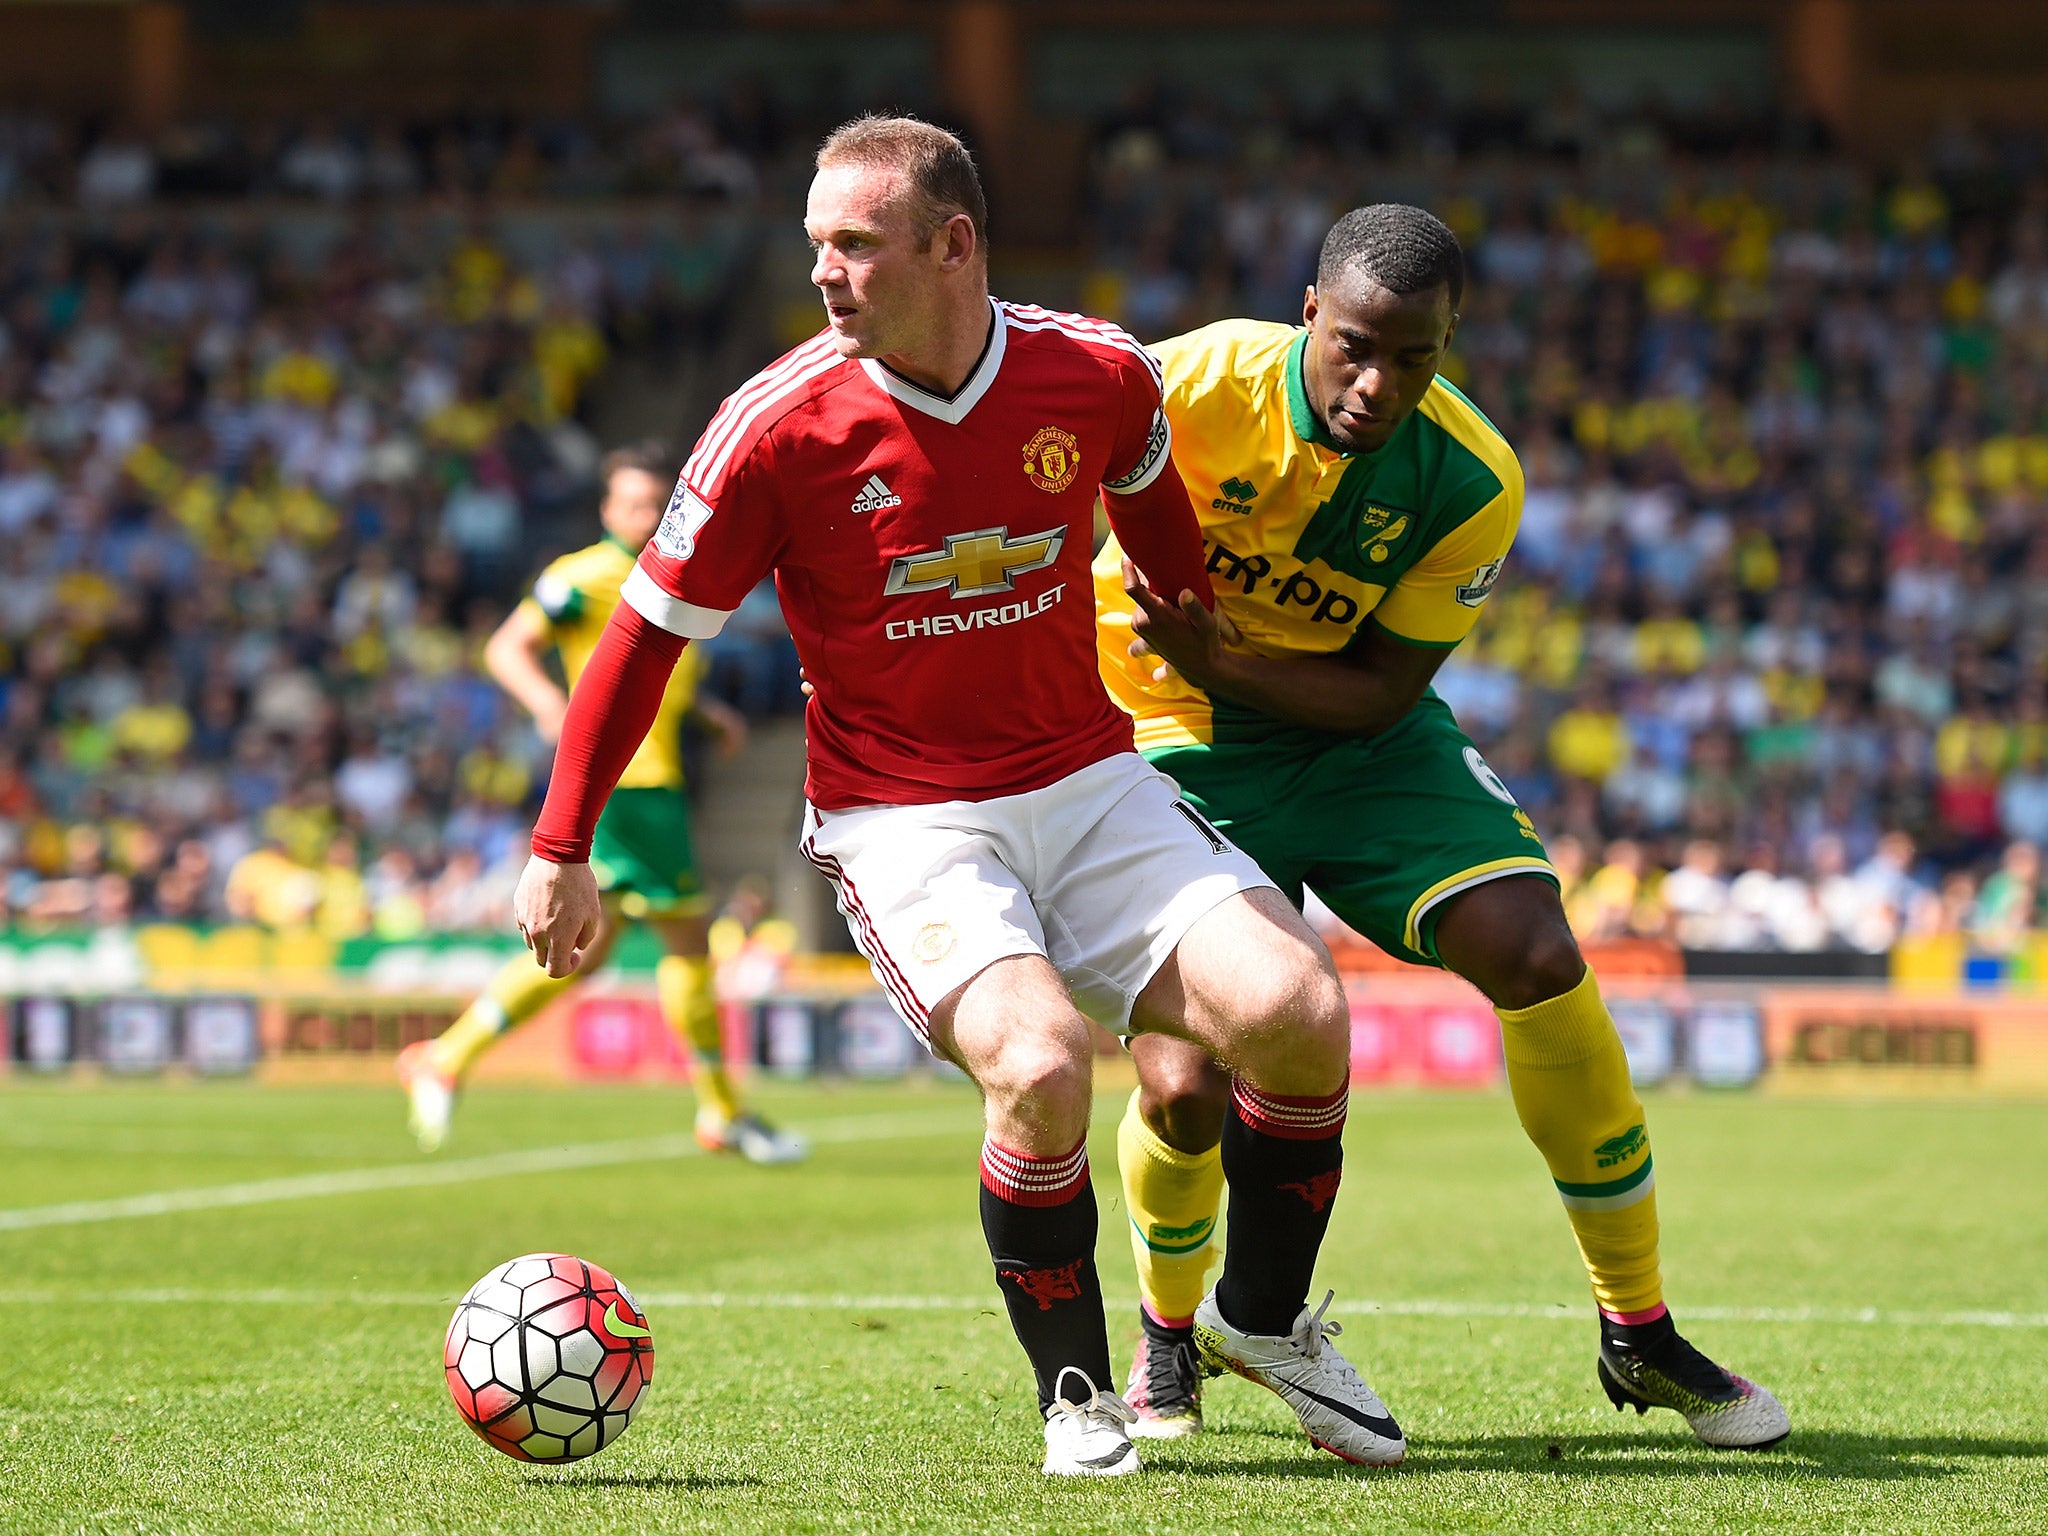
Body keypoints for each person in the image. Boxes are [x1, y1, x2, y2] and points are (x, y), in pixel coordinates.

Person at [514, 116, 1403, 1477]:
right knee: (1042, 1068)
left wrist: (1198, 638)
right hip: (906, 820)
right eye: (817, 245)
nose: (825, 271)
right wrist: (561, 843)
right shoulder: (774, 427)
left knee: (1299, 1013)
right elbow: (641, 637)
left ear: (954, 244)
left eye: (855, 245)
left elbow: (1155, 506)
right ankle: (1077, 1395)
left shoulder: (1092, 371)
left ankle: (1263, 1324)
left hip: (1089, 777)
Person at [1094, 204, 1790, 1451]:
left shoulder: (1471, 477)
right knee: (1189, 1080)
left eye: (1415, 357)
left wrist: (1228, 654)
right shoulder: (1178, 384)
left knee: (1537, 950)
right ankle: (1164, 1337)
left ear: (1448, 342)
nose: (1379, 383)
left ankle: (1635, 1327)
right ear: (1307, 312)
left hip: (1347, 733)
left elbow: (1376, 691)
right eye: (1355, 346)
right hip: (1160, 739)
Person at [398, 444, 807, 1166]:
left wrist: (708, 712)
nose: (647, 514)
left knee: (589, 950)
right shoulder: (583, 577)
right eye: (633, 502)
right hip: (630, 785)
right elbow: (506, 648)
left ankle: (447, 1057)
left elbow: (651, 672)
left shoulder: (675, 568)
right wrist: (549, 704)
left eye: (657, 501)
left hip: (650, 776)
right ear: (607, 509)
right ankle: (722, 1113)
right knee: (685, 941)